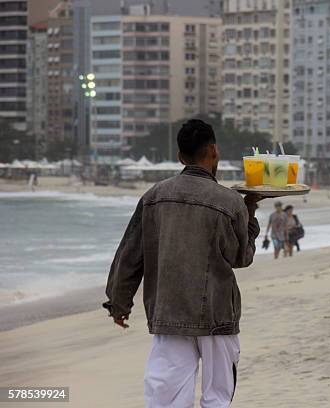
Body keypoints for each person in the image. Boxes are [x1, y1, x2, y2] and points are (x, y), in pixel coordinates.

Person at [103, 119, 261, 408]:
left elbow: (129, 254)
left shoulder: (154, 196)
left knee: (167, 397)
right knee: (217, 396)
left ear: (180, 156)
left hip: (169, 310)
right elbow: (242, 257)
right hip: (217, 315)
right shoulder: (229, 202)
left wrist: (119, 303)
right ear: (214, 151)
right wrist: (250, 210)